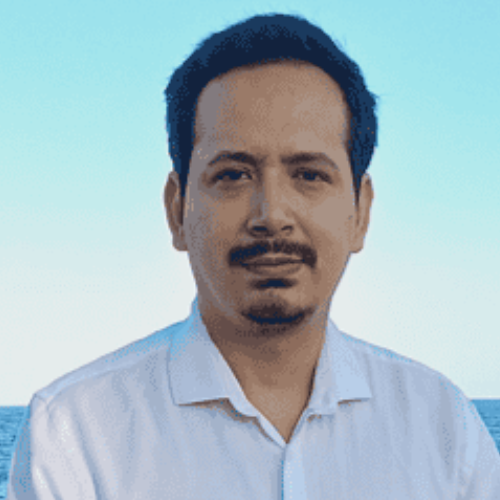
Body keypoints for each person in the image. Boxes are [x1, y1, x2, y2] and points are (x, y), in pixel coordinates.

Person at [7, 13, 500, 500]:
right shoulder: (74, 437)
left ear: (361, 212)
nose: (272, 215)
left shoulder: (446, 432)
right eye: (232, 175)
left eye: (309, 175)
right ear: (177, 211)